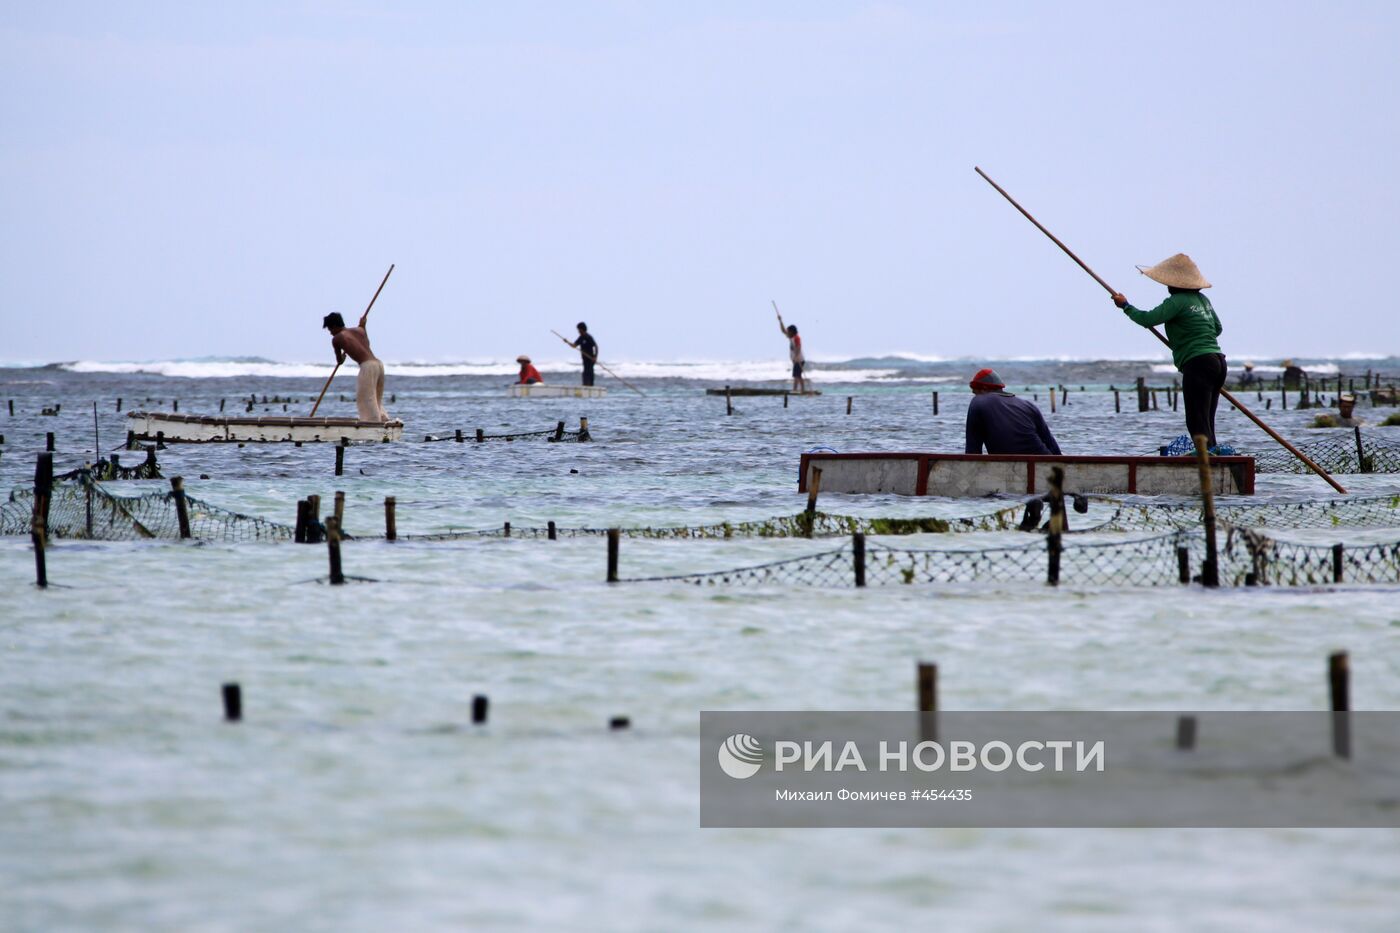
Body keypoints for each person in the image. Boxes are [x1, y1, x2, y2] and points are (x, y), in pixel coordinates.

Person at [1112, 253, 1226, 450]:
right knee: (1207, 419)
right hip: (1218, 362)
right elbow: (1217, 328)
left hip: (1198, 363)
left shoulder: (1176, 301)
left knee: (1197, 420)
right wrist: (1188, 338)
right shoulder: (1203, 300)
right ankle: (1212, 454)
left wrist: (1125, 306)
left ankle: (1208, 460)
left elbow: (1147, 319)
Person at [964, 368, 1061, 455]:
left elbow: (972, 451)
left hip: (1010, 467)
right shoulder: (1028, 405)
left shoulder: (978, 402)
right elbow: (1052, 446)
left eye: (975, 392)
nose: (974, 395)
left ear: (984, 389)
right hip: (1044, 462)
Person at [322, 310, 389, 422]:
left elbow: (339, 360)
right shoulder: (360, 330)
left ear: (334, 326)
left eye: (330, 329)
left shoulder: (337, 338)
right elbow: (365, 343)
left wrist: (342, 358)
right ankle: (383, 419)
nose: (330, 333)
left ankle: (372, 423)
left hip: (367, 366)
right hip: (378, 365)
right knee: (376, 398)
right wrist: (363, 325)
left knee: (366, 398)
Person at [774, 306, 807, 393]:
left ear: (792, 331)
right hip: (796, 360)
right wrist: (780, 321)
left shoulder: (796, 337)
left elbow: (799, 347)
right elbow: (783, 330)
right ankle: (795, 390)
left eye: (788, 331)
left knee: (798, 375)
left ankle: (802, 390)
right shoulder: (791, 337)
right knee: (796, 375)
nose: (787, 332)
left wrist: (796, 357)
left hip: (799, 359)